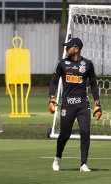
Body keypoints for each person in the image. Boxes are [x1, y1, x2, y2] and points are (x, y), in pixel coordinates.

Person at [48, 38, 102, 172]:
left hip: (83, 105)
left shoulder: (87, 64)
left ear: (76, 49)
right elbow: (54, 82)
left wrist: (97, 104)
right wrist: (52, 99)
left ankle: (83, 164)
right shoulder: (61, 64)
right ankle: (58, 157)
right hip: (67, 105)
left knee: (85, 131)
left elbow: (94, 83)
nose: (66, 49)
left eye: (68, 47)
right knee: (64, 135)